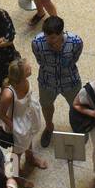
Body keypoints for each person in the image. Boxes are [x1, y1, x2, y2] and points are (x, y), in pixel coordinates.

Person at [32, 15, 84, 148]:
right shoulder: (37, 43)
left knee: (77, 106)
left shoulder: (75, 41)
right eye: (47, 36)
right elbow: (40, 61)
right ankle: (49, 127)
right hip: (47, 81)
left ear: (61, 33)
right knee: (46, 105)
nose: (49, 41)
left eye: (53, 37)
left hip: (70, 80)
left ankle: (79, 127)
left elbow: (75, 58)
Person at [0, 57, 47, 186]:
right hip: (18, 123)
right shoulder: (8, 93)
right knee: (16, 152)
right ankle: (13, 177)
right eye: (27, 68)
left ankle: (30, 158)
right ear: (20, 76)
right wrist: (15, 128)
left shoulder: (25, 81)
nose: (30, 67)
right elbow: (2, 114)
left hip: (29, 116)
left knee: (28, 139)